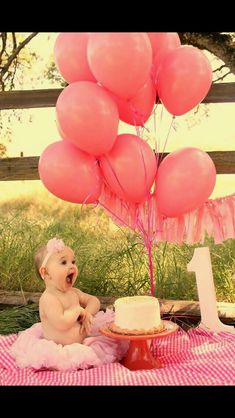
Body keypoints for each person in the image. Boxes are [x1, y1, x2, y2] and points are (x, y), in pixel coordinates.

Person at [34, 237, 101, 346]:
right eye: (64, 262)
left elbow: (94, 301)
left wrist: (88, 313)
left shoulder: (73, 292)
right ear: (46, 272)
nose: (72, 266)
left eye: (73, 262)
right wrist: (78, 311)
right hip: (59, 350)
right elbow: (61, 323)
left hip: (82, 344)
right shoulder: (49, 298)